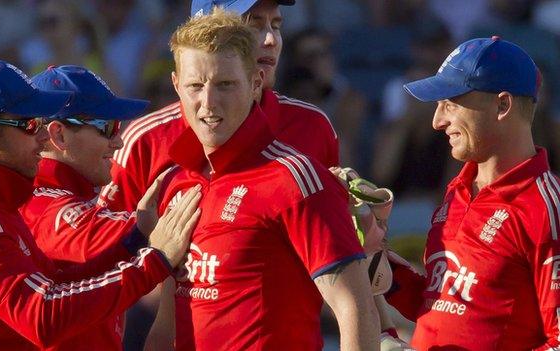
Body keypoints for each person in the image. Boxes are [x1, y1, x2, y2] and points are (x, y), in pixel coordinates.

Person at [146, 10, 379, 351]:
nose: (208, 103)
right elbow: (166, 330)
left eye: (225, 84)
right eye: (195, 85)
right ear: (176, 85)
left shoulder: (296, 178)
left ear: (256, 83)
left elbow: (355, 309)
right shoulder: (178, 183)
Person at [0, 60, 200, 350]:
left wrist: (136, 240)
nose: (42, 135)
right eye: (30, 123)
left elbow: (55, 281)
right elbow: (42, 315)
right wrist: (153, 261)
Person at [394, 36, 560, 350]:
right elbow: (447, 304)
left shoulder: (546, 208)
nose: (437, 121)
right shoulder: (456, 190)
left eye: (450, 103)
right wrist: (385, 275)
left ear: (502, 105)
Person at [99, 0, 338, 212]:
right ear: (205, 33)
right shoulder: (145, 141)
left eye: (276, 26)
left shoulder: (311, 125)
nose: (271, 39)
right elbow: (106, 254)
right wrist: (159, 252)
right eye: (252, 24)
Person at [18, 64, 165, 351]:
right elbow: (146, 234)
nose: (119, 141)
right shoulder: (44, 206)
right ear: (59, 135)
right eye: (107, 128)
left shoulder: (60, 195)